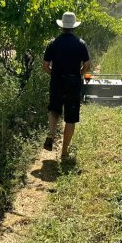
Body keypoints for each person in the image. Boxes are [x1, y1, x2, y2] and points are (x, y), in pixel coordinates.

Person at [42, 11, 90, 160]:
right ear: (74, 27)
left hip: (56, 81)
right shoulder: (80, 43)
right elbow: (87, 65)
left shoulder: (53, 43)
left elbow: (45, 65)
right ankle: (63, 153)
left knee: (54, 109)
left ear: (62, 27)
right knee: (70, 118)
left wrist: (54, 74)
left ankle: (51, 134)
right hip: (73, 83)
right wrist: (79, 74)